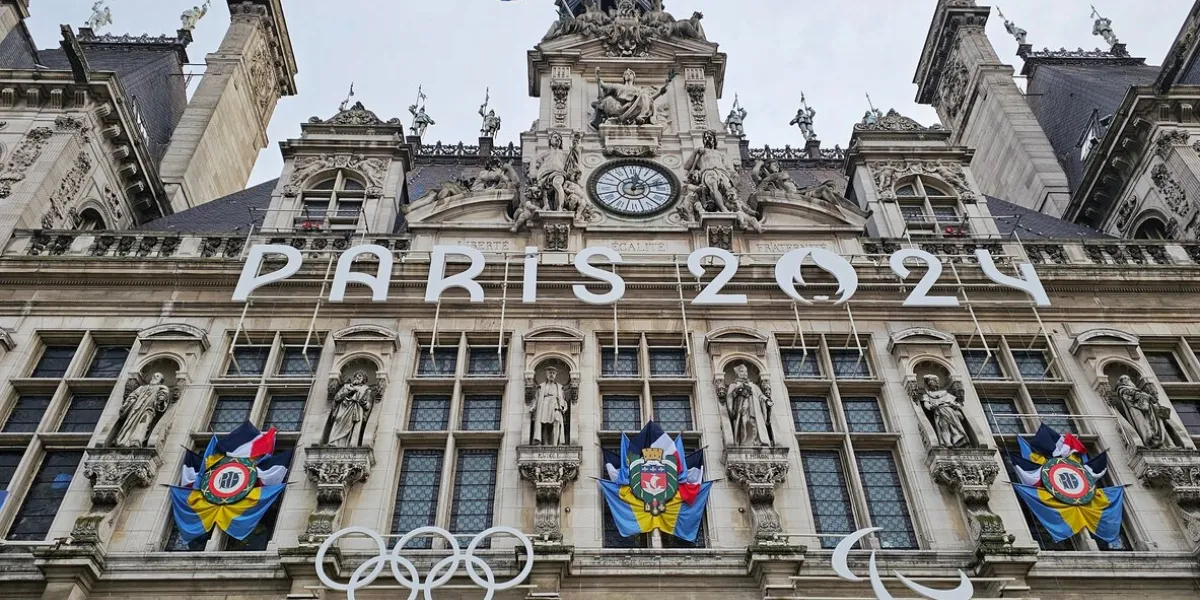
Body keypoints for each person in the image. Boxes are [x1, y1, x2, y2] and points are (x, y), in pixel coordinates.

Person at [114, 373, 171, 448]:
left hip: (149, 410)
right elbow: (133, 395)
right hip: (136, 409)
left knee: (143, 424)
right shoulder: (141, 388)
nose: (154, 377)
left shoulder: (161, 388)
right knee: (130, 423)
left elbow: (163, 397)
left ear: (161, 380)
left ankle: (136, 441)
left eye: (157, 376)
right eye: (153, 375)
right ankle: (124, 441)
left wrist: (161, 399)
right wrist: (130, 401)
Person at [724, 363, 772, 446]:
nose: (745, 373)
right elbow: (729, 398)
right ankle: (745, 442)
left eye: (746, 371)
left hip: (755, 409)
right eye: (742, 371)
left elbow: (761, 395)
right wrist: (731, 409)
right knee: (744, 423)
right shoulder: (734, 385)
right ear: (737, 373)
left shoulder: (754, 386)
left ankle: (757, 442)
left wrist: (767, 400)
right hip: (742, 409)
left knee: (755, 424)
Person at [919, 374, 969, 448]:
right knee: (943, 426)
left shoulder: (945, 393)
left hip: (950, 411)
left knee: (955, 426)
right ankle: (947, 442)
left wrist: (956, 405)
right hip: (939, 412)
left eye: (935, 381)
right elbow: (926, 404)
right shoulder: (927, 395)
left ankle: (959, 440)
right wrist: (931, 406)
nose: (934, 383)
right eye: (932, 381)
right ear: (929, 384)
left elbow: (956, 403)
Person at [328, 371, 374, 447]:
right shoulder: (346, 386)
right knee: (339, 424)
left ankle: (347, 444)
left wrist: (363, 402)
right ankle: (334, 442)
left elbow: (368, 406)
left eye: (360, 376)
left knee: (351, 427)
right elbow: (337, 398)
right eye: (356, 375)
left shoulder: (366, 389)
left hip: (355, 410)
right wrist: (349, 391)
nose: (357, 377)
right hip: (343, 407)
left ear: (363, 379)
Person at [531, 365, 568, 445]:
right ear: (546, 374)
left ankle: (555, 444)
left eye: (553, 373)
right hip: (544, 405)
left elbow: (563, 398)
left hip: (555, 406)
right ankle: (545, 443)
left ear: (555, 375)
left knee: (557, 422)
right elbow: (536, 399)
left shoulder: (559, 387)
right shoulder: (541, 386)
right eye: (550, 373)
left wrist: (564, 406)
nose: (551, 375)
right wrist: (533, 407)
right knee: (544, 425)